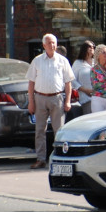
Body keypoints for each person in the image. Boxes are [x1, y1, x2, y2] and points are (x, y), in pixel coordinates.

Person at [26, 34, 74, 169]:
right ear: (44, 45)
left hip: (57, 97)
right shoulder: (37, 61)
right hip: (40, 97)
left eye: (54, 43)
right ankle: (41, 159)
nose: (52, 45)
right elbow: (31, 83)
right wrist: (31, 102)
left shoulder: (62, 60)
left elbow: (68, 83)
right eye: (49, 43)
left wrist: (68, 101)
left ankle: (60, 157)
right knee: (40, 130)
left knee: (59, 130)